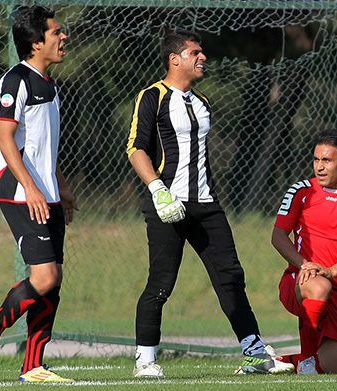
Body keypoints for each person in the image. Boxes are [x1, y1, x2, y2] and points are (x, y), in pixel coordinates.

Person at [125, 30, 294, 378]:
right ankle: (145, 360)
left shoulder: (202, 102)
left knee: (231, 276)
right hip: (167, 205)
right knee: (161, 282)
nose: (202, 58)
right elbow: (136, 148)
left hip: (206, 204)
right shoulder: (151, 97)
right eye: (194, 53)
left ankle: (253, 353)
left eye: (202, 53)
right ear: (175, 59)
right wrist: (158, 189)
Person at [0, 5, 76, 383]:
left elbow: (45, 146)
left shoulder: (50, 83)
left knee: (54, 279)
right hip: (19, 193)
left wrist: (59, 186)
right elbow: (5, 138)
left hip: (46, 192)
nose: (64, 37)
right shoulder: (16, 79)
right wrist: (31, 187)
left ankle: (33, 366)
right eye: (56, 32)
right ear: (35, 42)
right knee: (44, 277)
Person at [271, 130, 337, 374]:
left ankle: (277, 362)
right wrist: (304, 264)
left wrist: (332, 271)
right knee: (318, 286)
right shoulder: (301, 191)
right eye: (316, 159)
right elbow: (277, 236)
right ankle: (307, 358)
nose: (319, 166)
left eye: (327, 160)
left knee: (336, 367)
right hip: (299, 280)